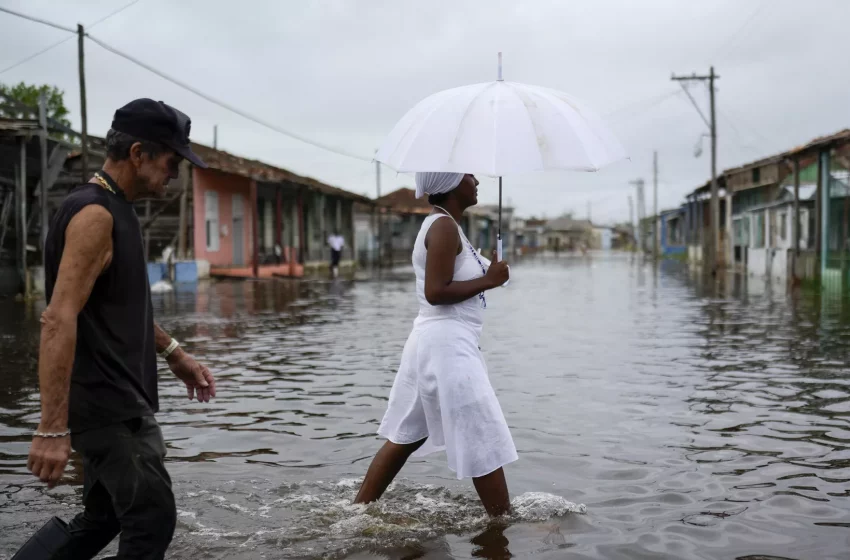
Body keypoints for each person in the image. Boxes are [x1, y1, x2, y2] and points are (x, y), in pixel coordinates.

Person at [14, 99, 216, 560]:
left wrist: (174, 355)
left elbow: (120, 306)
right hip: (106, 403)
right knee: (151, 518)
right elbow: (58, 318)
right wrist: (50, 428)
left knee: (103, 519)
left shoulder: (116, 207)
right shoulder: (95, 214)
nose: (175, 174)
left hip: (117, 394)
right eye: (172, 161)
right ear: (139, 153)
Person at [354, 172, 516, 516]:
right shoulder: (442, 227)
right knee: (480, 433)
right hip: (446, 345)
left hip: (435, 341)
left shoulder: (446, 226)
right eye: (469, 176)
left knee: (405, 436)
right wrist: (489, 279)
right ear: (453, 184)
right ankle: (503, 526)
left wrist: (487, 273)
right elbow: (436, 292)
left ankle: (355, 514)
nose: (476, 180)